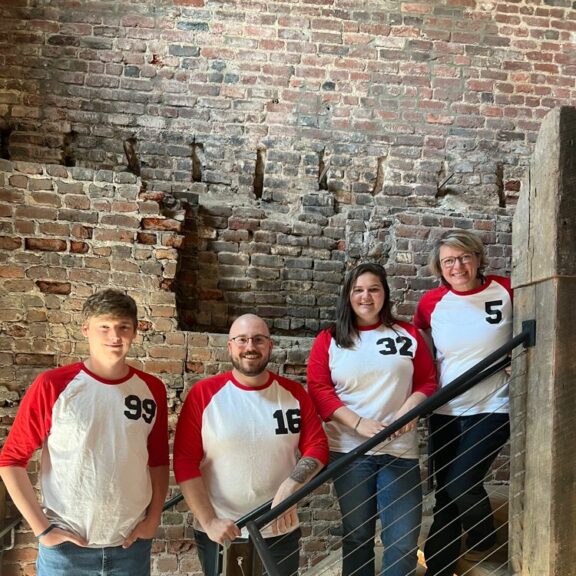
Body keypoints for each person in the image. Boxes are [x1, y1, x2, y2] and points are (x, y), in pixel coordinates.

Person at [0, 289, 169, 576]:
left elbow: (158, 461)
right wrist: (43, 529)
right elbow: (11, 460)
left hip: (130, 546)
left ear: (135, 331)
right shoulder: (53, 385)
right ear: (86, 329)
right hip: (67, 550)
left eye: (123, 327)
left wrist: (152, 521)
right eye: (104, 326)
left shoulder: (152, 389)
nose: (114, 336)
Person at [307, 262, 437, 576]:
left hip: (399, 452)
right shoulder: (330, 338)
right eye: (359, 290)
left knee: (403, 540)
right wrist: (357, 423)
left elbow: (428, 381)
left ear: (385, 294)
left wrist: (410, 410)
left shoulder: (406, 333)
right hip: (350, 452)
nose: (366, 297)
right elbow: (319, 388)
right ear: (348, 296)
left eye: (374, 289)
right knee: (358, 536)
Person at [173, 314, 329, 576]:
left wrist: (291, 486)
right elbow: (185, 461)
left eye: (258, 339)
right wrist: (209, 521)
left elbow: (318, 446)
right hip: (223, 532)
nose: (250, 346)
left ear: (270, 346)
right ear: (230, 346)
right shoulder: (204, 394)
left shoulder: (293, 394)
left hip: (279, 528)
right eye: (242, 339)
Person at [414, 229, 512, 576]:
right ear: (439, 268)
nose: (458, 266)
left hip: (494, 406)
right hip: (446, 410)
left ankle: (484, 537)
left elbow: (538, 326)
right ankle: (439, 567)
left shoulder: (506, 289)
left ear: (478, 258)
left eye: (464, 257)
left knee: (461, 484)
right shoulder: (430, 303)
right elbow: (422, 348)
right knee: (445, 493)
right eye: (449, 261)